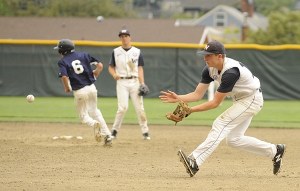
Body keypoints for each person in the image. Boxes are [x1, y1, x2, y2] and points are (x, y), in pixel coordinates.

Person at [159, 40, 286, 177]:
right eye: (204, 55)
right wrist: (179, 98)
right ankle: (274, 151)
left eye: (208, 55)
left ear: (219, 56)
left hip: (251, 99)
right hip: (241, 100)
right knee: (233, 140)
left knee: (220, 124)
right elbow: (197, 94)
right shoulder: (209, 69)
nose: (205, 58)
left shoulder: (230, 72)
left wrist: (190, 110)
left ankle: (194, 161)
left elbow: (215, 103)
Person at [54, 39, 112, 146]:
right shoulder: (84, 55)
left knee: (84, 116)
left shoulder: (63, 61)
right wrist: (95, 74)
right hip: (92, 88)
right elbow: (100, 65)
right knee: (95, 111)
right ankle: (108, 135)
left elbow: (64, 76)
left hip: (80, 91)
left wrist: (67, 88)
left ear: (63, 51)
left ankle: (94, 124)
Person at [108, 29, 150, 140]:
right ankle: (114, 131)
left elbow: (140, 68)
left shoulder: (137, 51)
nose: (124, 38)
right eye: (122, 36)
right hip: (121, 82)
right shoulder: (116, 51)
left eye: (126, 36)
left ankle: (145, 132)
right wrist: (114, 74)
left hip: (135, 82)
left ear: (130, 37)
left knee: (139, 108)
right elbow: (111, 67)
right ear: (120, 38)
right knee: (122, 108)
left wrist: (142, 82)